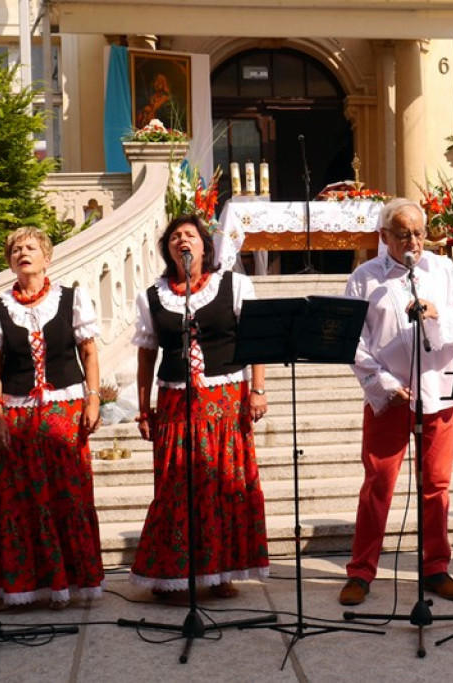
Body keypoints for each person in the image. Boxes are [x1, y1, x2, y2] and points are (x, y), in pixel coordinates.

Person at [338, 198, 453, 606]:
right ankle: (361, 572)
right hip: (390, 397)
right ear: (384, 237)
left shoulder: (444, 270)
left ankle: (436, 567)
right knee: (378, 484)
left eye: (418, 232)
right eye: (403, 234)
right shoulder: (365, 278)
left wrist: (436, 314)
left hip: (437, 391)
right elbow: (354, 341)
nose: (413, 242)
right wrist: (381, 382)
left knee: (436, 486)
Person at [130, 214, 269, 598]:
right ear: (168, 250)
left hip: (225, 400)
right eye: (175, 237)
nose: (182, 240)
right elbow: (145, 357)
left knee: (225, 483)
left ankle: (220, 572)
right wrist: (144, 410)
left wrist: (258, 389)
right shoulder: (153, 296)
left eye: (190, 235)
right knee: (178, 486)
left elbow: (255, 339)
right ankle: (175, 573)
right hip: (175, 400)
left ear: (205, 246)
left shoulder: (233, 285)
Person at [0, 227, 105, 608]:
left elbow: (89, 354)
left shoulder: (71, 299)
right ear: (9, 262)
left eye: (31, 247)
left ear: (47, 257)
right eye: (16, 249)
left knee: (68, 496)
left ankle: (71, 582)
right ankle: (22, 585)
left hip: (65, 411)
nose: (23, 253)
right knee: (17, 501)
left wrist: (93, 398)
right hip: (17, 415)